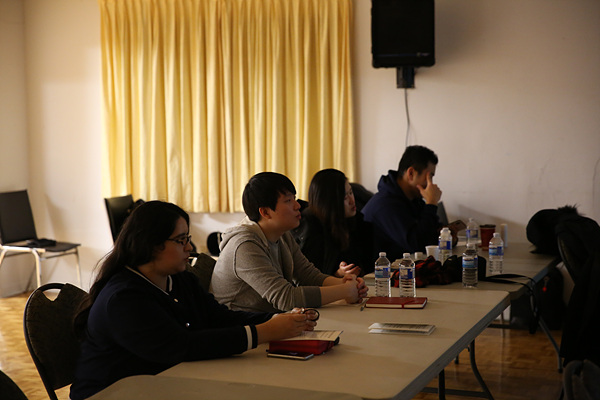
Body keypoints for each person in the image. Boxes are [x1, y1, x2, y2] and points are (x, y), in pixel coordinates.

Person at [70, 201, 317, 400]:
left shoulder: (179, 278)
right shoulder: (123, 298)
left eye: (187, 238)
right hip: (114, 393)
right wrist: (264, 332)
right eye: (181, 240)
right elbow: (180, 347)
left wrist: (280, 319)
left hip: (161, 383)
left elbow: (218, 317)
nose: (189, 247)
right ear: (151, 245)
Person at [211, 172, 368, 313]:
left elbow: (307, 275)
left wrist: (344, 283)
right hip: (239, 326)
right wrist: (344, 291)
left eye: (294, 198)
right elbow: (286, 298)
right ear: (265, 212)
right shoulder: (244, 245)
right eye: (288, 200)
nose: (297, 205)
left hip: (269, 319)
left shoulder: (282, 234)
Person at [361, 145, 454, 261]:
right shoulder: (386, 205)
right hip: (384, 270)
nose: (431, 183)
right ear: (411, 173)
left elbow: (432, 237)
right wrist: (431, 203)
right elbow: (418, 244)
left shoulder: (413, 200)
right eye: (429, 177)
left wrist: (447, 236)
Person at [296, 169, 375, 277]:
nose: (352, 201)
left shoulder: (356, 221)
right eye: (344, 197)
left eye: (351, 192)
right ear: (328, 202)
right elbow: (309, 278)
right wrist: (337, 274)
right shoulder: (311, 227)